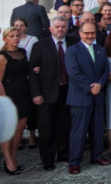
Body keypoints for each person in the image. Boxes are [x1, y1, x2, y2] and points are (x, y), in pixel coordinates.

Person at [28, 17, 77, 170]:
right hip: (46, 93)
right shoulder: (40, 45)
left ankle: (63, 153)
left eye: (63, 26)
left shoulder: (73, 43)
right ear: (51, 28)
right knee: (46, 128)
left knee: (64, 125)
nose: (60, 29)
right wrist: (36, 94)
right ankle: (48, 159)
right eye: (57, 26)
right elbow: (32, 71)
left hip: (68, 91)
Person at [65, 21, 110, 175]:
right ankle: (74, 162)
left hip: (97, 97)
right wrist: (90, 87)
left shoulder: (100, 50)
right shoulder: (72, 51)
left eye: (92, 33)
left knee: (97, 129)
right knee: (78, 131)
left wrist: (100, 84)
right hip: (80, 97)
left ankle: (97, 156)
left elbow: (106, 70)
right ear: (80, 33)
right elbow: (73, 73)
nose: (90, 36)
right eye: (87, 33)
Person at [0, 27, 32, 175]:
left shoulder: (22, 53)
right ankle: (8, 161)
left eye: (17, 36)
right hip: (9, 94)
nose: (15, 38)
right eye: (12, 36)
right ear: (5, 39)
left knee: (20, 129)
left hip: (24, 92)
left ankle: (14, 158)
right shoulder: (2, 56)